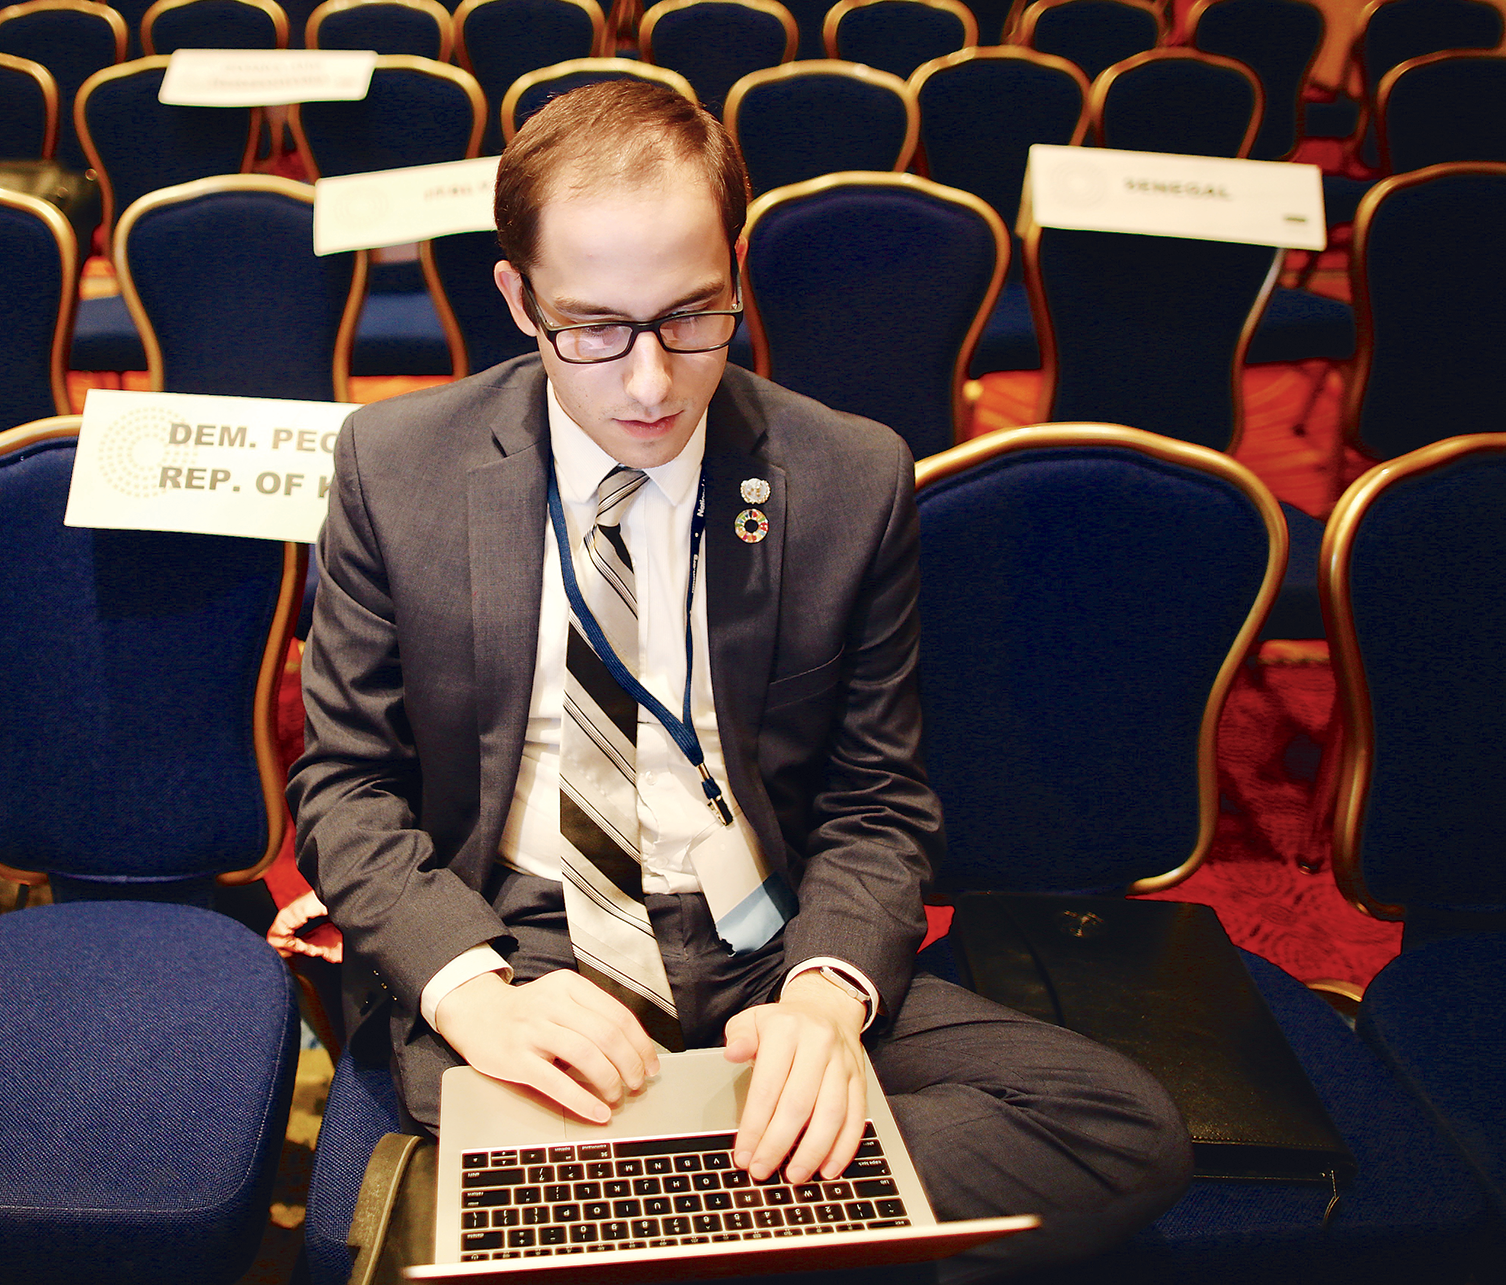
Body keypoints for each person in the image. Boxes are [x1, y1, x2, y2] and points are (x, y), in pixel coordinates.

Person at [283, 81, 1191, 1280]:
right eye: (594, 327)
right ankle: (762, 1214)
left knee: (1121, 1130)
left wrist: (825, 996)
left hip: (762, 943)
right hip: (525, 941)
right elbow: (346, 786)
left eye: (691, 317)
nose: (652, 383)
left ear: (734, 270)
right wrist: (467, 993)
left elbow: (876, 804)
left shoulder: (845, 476)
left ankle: (652, 1222)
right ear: (517, 299)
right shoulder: (395, 466)